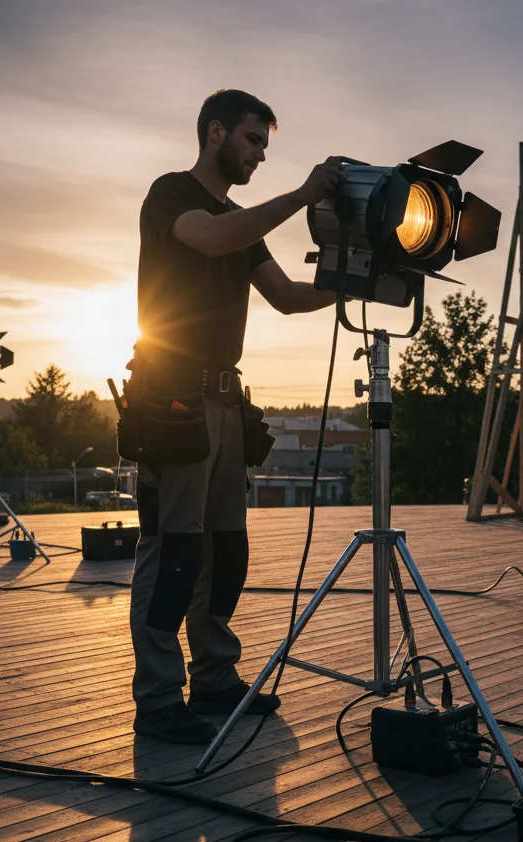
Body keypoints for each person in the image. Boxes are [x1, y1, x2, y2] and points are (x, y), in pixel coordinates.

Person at [129, 89, 342, 744]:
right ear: (215, 132)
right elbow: (215, 238)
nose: (259, 155)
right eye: (252, 141)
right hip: (174, 398)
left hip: (225, 401)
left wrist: (361, 277)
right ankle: (160, 700)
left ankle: (216, 679)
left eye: (265, 147)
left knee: (225, 550)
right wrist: (304, 196)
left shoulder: (243, 221)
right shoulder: (172, 196)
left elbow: (287, 297)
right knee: (174, 551)